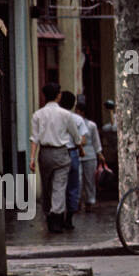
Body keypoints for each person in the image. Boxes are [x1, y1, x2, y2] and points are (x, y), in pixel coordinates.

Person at [29, 83, 82, 233]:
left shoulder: (37, 115)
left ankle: (48, 214)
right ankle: (57, 218)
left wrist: (32, 159)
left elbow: (34, 138)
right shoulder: (66, 115)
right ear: (58, 95)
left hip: (44, 153)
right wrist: (79, 146)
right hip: (61, 153)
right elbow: (76, 136)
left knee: (47, 186)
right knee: (59, 186)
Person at [57, 91, 85, 231]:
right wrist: (80, 148)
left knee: (59, 186)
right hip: (73, 152)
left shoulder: (56, 117)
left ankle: (58, 216)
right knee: (73, 187)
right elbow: (81, 139)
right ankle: (69, 218)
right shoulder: (78, 119)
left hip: (58, 151)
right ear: (73, 104)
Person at [74, 98, 101, 213]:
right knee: (78, 180)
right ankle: (77, 201)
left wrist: (99, 153)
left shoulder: (91, 125)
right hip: (77, 154)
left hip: (90, 154)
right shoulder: (73, 123)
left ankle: (90, 201)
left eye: (77, 111)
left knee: (89, 180)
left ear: (82, 112)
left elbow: (96, 141)